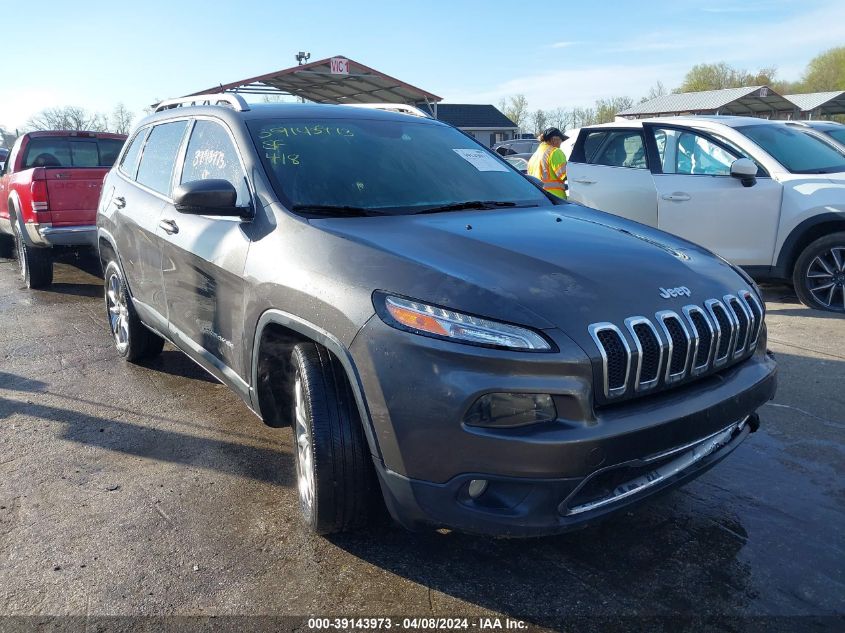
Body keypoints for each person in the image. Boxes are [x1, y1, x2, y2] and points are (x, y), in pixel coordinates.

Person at [527, 127, 569, 199]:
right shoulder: (555, 152)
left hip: (538, 197)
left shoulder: (534, 156)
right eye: (560, 140)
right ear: (554, 139)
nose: (561, 143)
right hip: (554, 198)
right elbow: (565, 175)